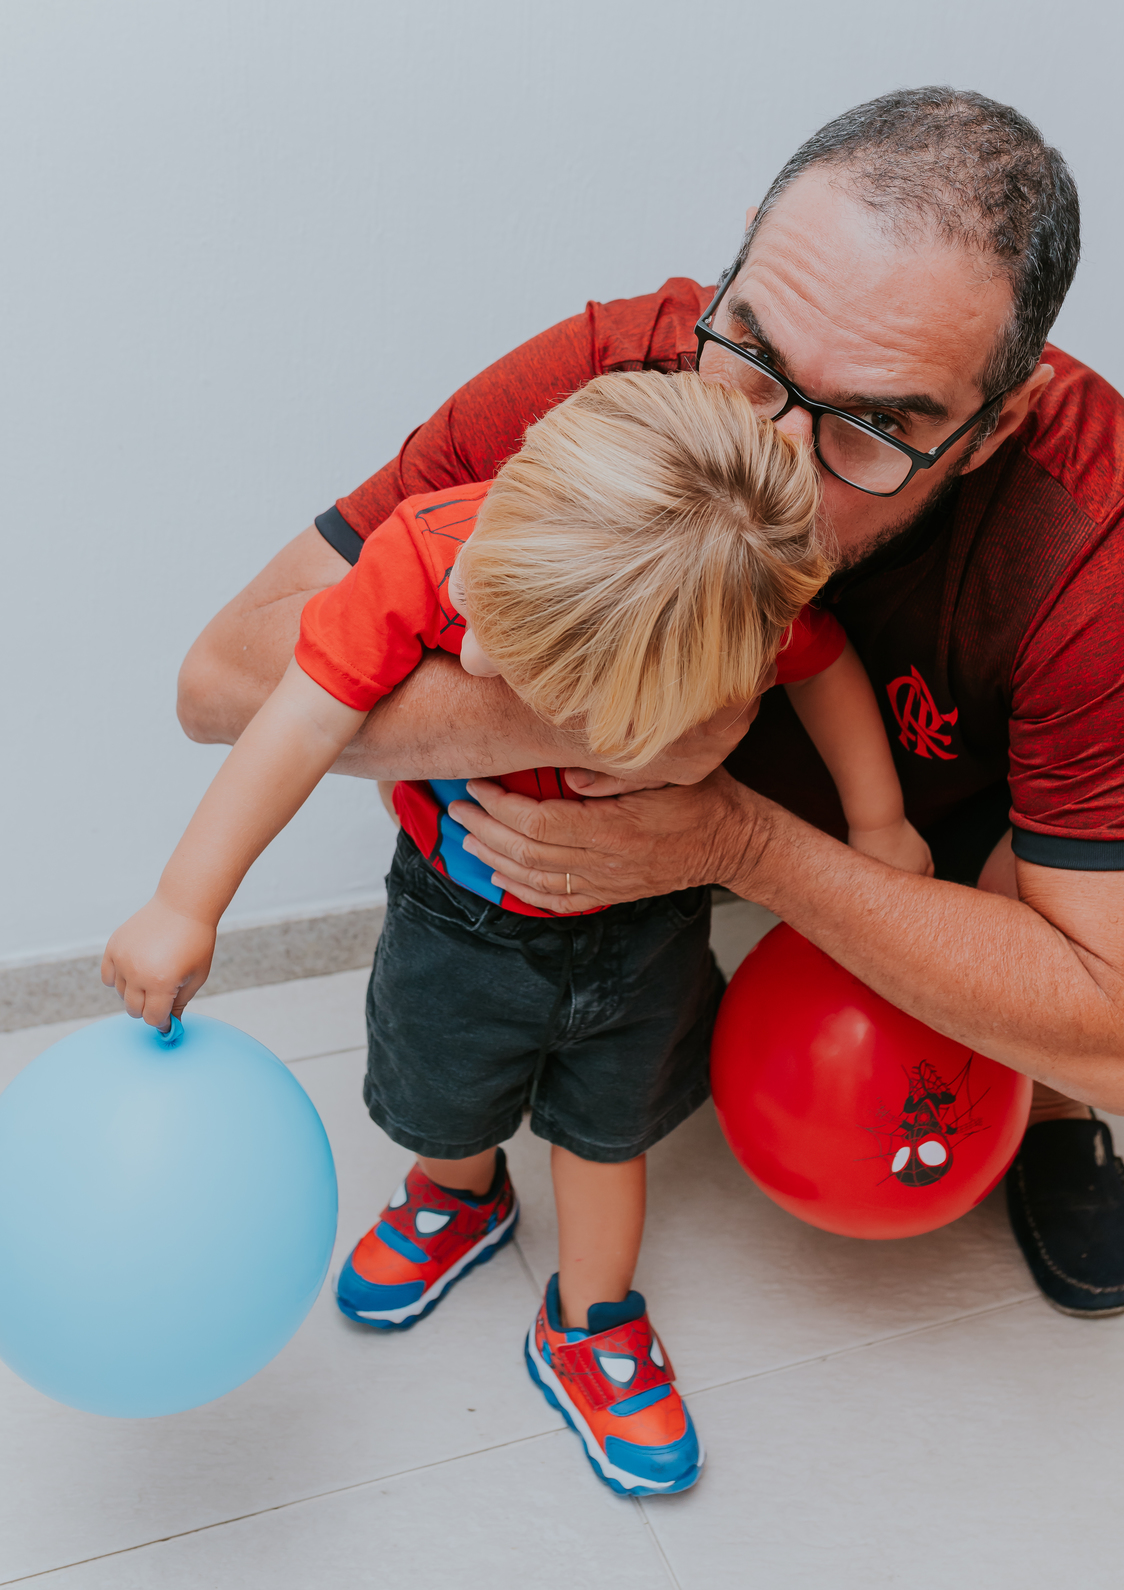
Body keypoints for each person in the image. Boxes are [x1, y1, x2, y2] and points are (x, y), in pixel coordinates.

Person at [178, 87, 1124, 1321]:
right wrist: (600, 722)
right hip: (614, 891)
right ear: (737, 265)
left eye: (875, 426)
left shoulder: (1088, 515)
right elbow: (226, 677)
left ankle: (1041, 1111)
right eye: (757, 360)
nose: (766, 459)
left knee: (1078, 970)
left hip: (929, 834)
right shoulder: (622, 380)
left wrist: (736, 838)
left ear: (999, 422)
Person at [105, 370, 930, 1498]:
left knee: (608, 1135)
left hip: (641, 921)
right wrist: (184, 901)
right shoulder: (428, 543)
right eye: (479, 616)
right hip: (459, 918)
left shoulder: (730, 600)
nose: (476, 657)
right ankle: (458, 1191)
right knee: (443, 1094)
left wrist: (878, 821)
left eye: (530, 670)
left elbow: (825, 667)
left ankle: (590, 1319)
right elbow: (296, 716)